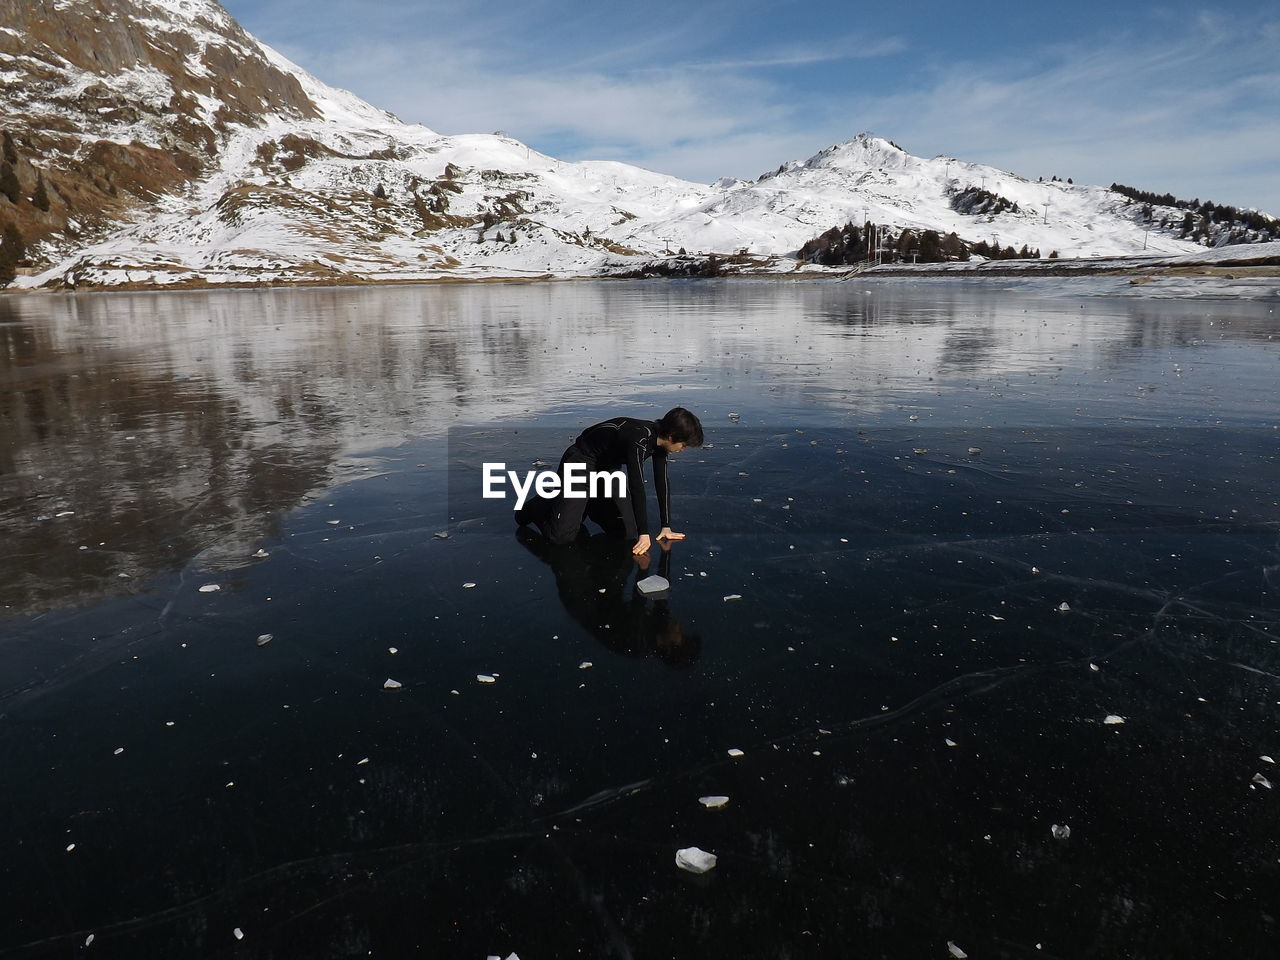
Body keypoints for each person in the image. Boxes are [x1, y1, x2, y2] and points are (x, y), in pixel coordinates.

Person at [516, 407, 703, 554]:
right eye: (684, 444)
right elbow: (636, 485)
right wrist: (645, 534)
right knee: (561, 537)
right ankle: (538, 505)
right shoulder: (639, 438)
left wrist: (666, 526)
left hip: (607, 468)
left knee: (627, 532)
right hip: (582, 461)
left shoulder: (661, 444)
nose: (683, 449)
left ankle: (587, 502)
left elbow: (662, 482)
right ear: (671, 437)